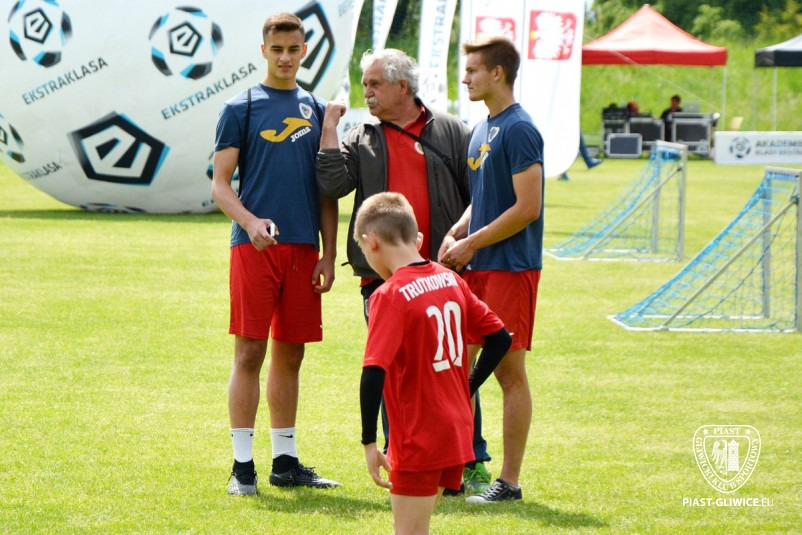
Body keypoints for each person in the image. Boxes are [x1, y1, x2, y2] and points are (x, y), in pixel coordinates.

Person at [317, 48, 495, 496]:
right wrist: (329, 129)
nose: (367, 92)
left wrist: (462, 241)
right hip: (383, 281)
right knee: (394, 371)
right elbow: (332, 185)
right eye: (365, 84)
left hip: (444, 276)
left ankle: (471, 460)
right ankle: (399, 457)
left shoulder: (452, 131)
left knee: (453, 366)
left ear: (402, 86)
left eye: (375, 84)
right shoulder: (361, 136)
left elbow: (480, 195)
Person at [212, 12, 340, 496]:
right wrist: (250, 223)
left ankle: (285, 462)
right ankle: (242, 467)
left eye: (293, 49)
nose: (285, 58)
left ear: (304, 51)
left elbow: (327, 191)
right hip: (254, 249)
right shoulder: (240, 107)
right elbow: (220, 185)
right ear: (263, 50)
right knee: (250, 352)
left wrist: (329, 253)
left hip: (304, 250)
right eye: (277, 49)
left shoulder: (318, 109)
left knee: (292, 354)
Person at [356, 192, 512, 534]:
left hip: (418, 434)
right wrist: (466, 388)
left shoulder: (389, 294)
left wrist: (369, 442)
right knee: (419, 526)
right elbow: (500, 338)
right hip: (455, 429)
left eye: (364, 251)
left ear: (372, 241)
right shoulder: (451, 279)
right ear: (418, 238)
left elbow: (373, 372)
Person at [439, 35, 544, 504]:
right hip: (477, 267)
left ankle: (510, 482)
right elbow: (483, 198)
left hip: (510, 268)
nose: (464, 79)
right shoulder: (481, 128)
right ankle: (456, 469)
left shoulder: (520, 129)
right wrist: (456, 232)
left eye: (472, 71)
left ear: (497, 73)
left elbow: (527, 207)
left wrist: (472, 244)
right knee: (456, 368)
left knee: (507, 373)